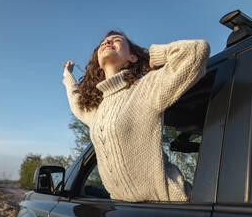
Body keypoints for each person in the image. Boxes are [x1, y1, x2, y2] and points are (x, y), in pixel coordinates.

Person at [62, 31, 210, 202]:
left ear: (132, 58)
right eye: (103, 42)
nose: (107, 42)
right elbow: (76, 102)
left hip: (173, 207)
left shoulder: (146, 88)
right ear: (99, 65)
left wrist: (154, 57)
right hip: (124, 211)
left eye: (116, 40)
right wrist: (68, 76)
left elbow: (197, 52)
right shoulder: (98, 111)